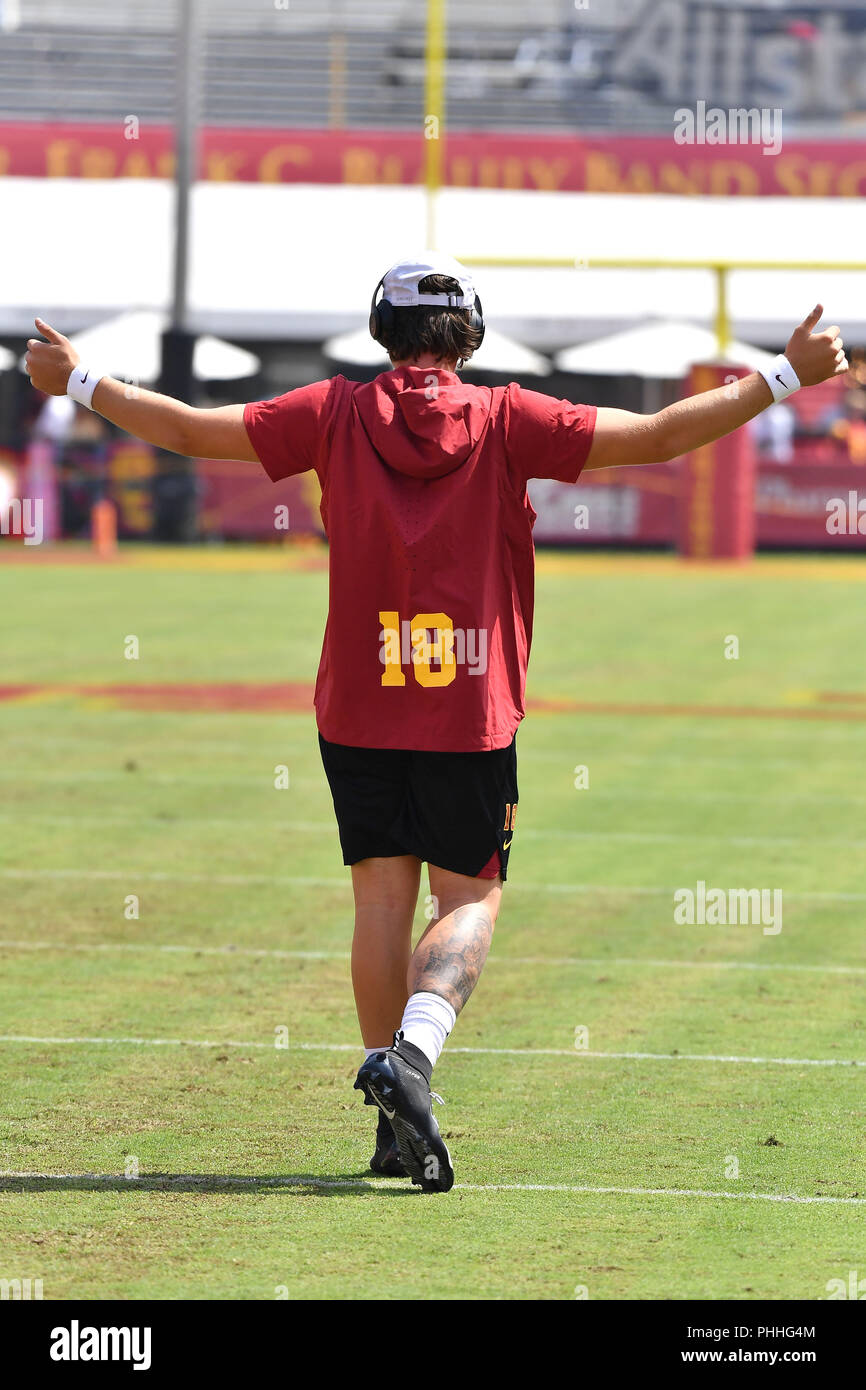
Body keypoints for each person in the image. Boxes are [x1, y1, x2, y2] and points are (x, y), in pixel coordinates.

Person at [24, 254, 848, 1192]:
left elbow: (184, 430)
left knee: (380, 899)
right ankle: (411, 1060)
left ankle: (389, 1113)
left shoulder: (332, 411)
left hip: (361, 699)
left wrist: (81, 378)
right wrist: (786, 374)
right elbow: (659, 435)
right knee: (469, 899)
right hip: (468, 703)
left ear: (383, 328)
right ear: (472, 332)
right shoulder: (506, 418)